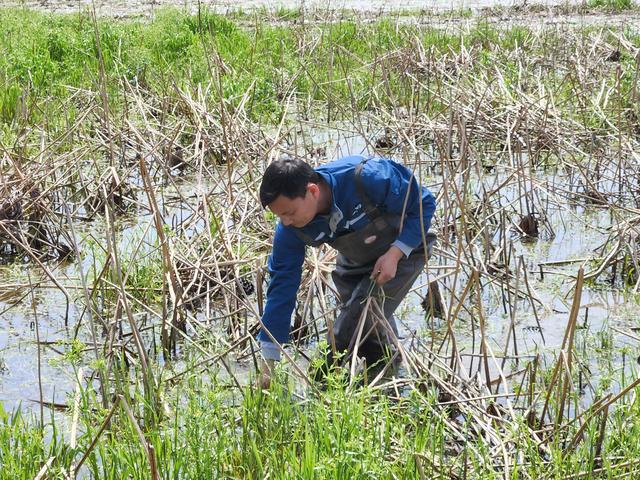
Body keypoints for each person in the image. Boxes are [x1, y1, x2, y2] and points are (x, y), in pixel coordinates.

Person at [257, 154, 436, 388]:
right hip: (355, 261)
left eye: (289, 213)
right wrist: (268, 365)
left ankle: (320, 386)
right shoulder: (290, 230)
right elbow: (281, 288)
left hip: (406, 251)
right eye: (280, 216)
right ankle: (387, 388)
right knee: (371, 335)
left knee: (355, 322)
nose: (287, 222)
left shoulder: (367, 177)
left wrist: (395, 253)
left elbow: (424, 202)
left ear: (312, 191)